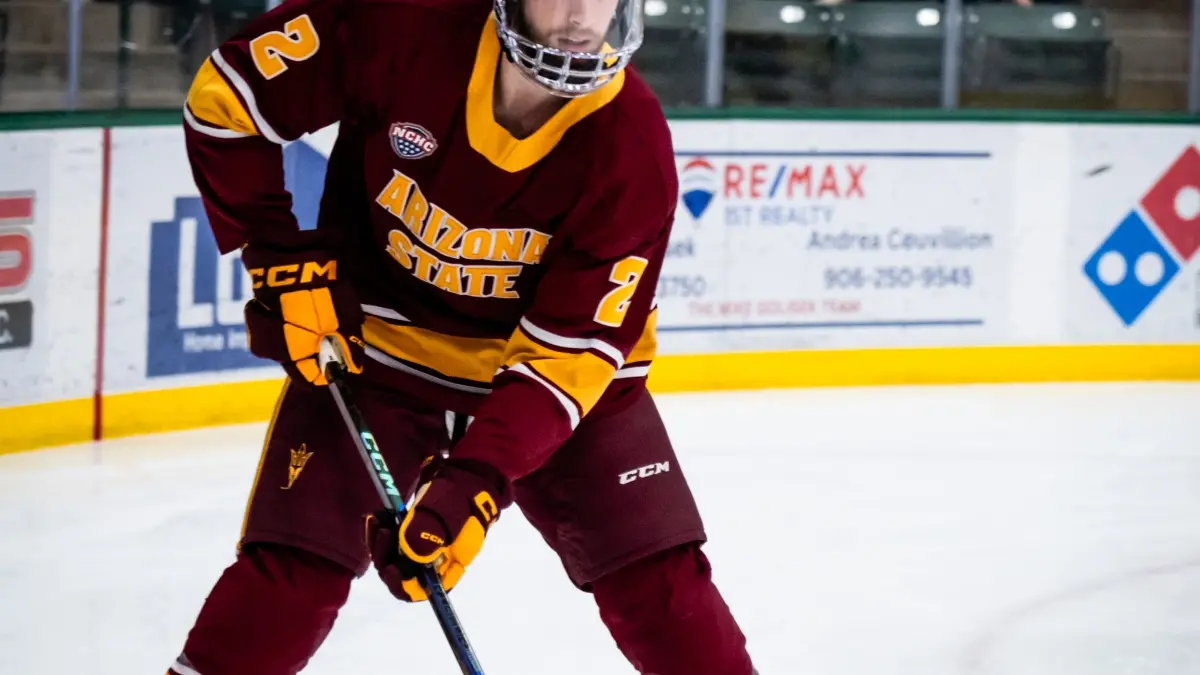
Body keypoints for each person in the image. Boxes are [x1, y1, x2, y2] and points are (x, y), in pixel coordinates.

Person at [170, 0, 756, 673]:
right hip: (380, 351)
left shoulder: (632, 147)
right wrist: (276, 252)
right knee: (292, 568)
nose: (578, 14)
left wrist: (475, 482)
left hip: (558, 383)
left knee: (660, 583)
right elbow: (228, 98)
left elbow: (564, 361)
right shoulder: (403, 20)